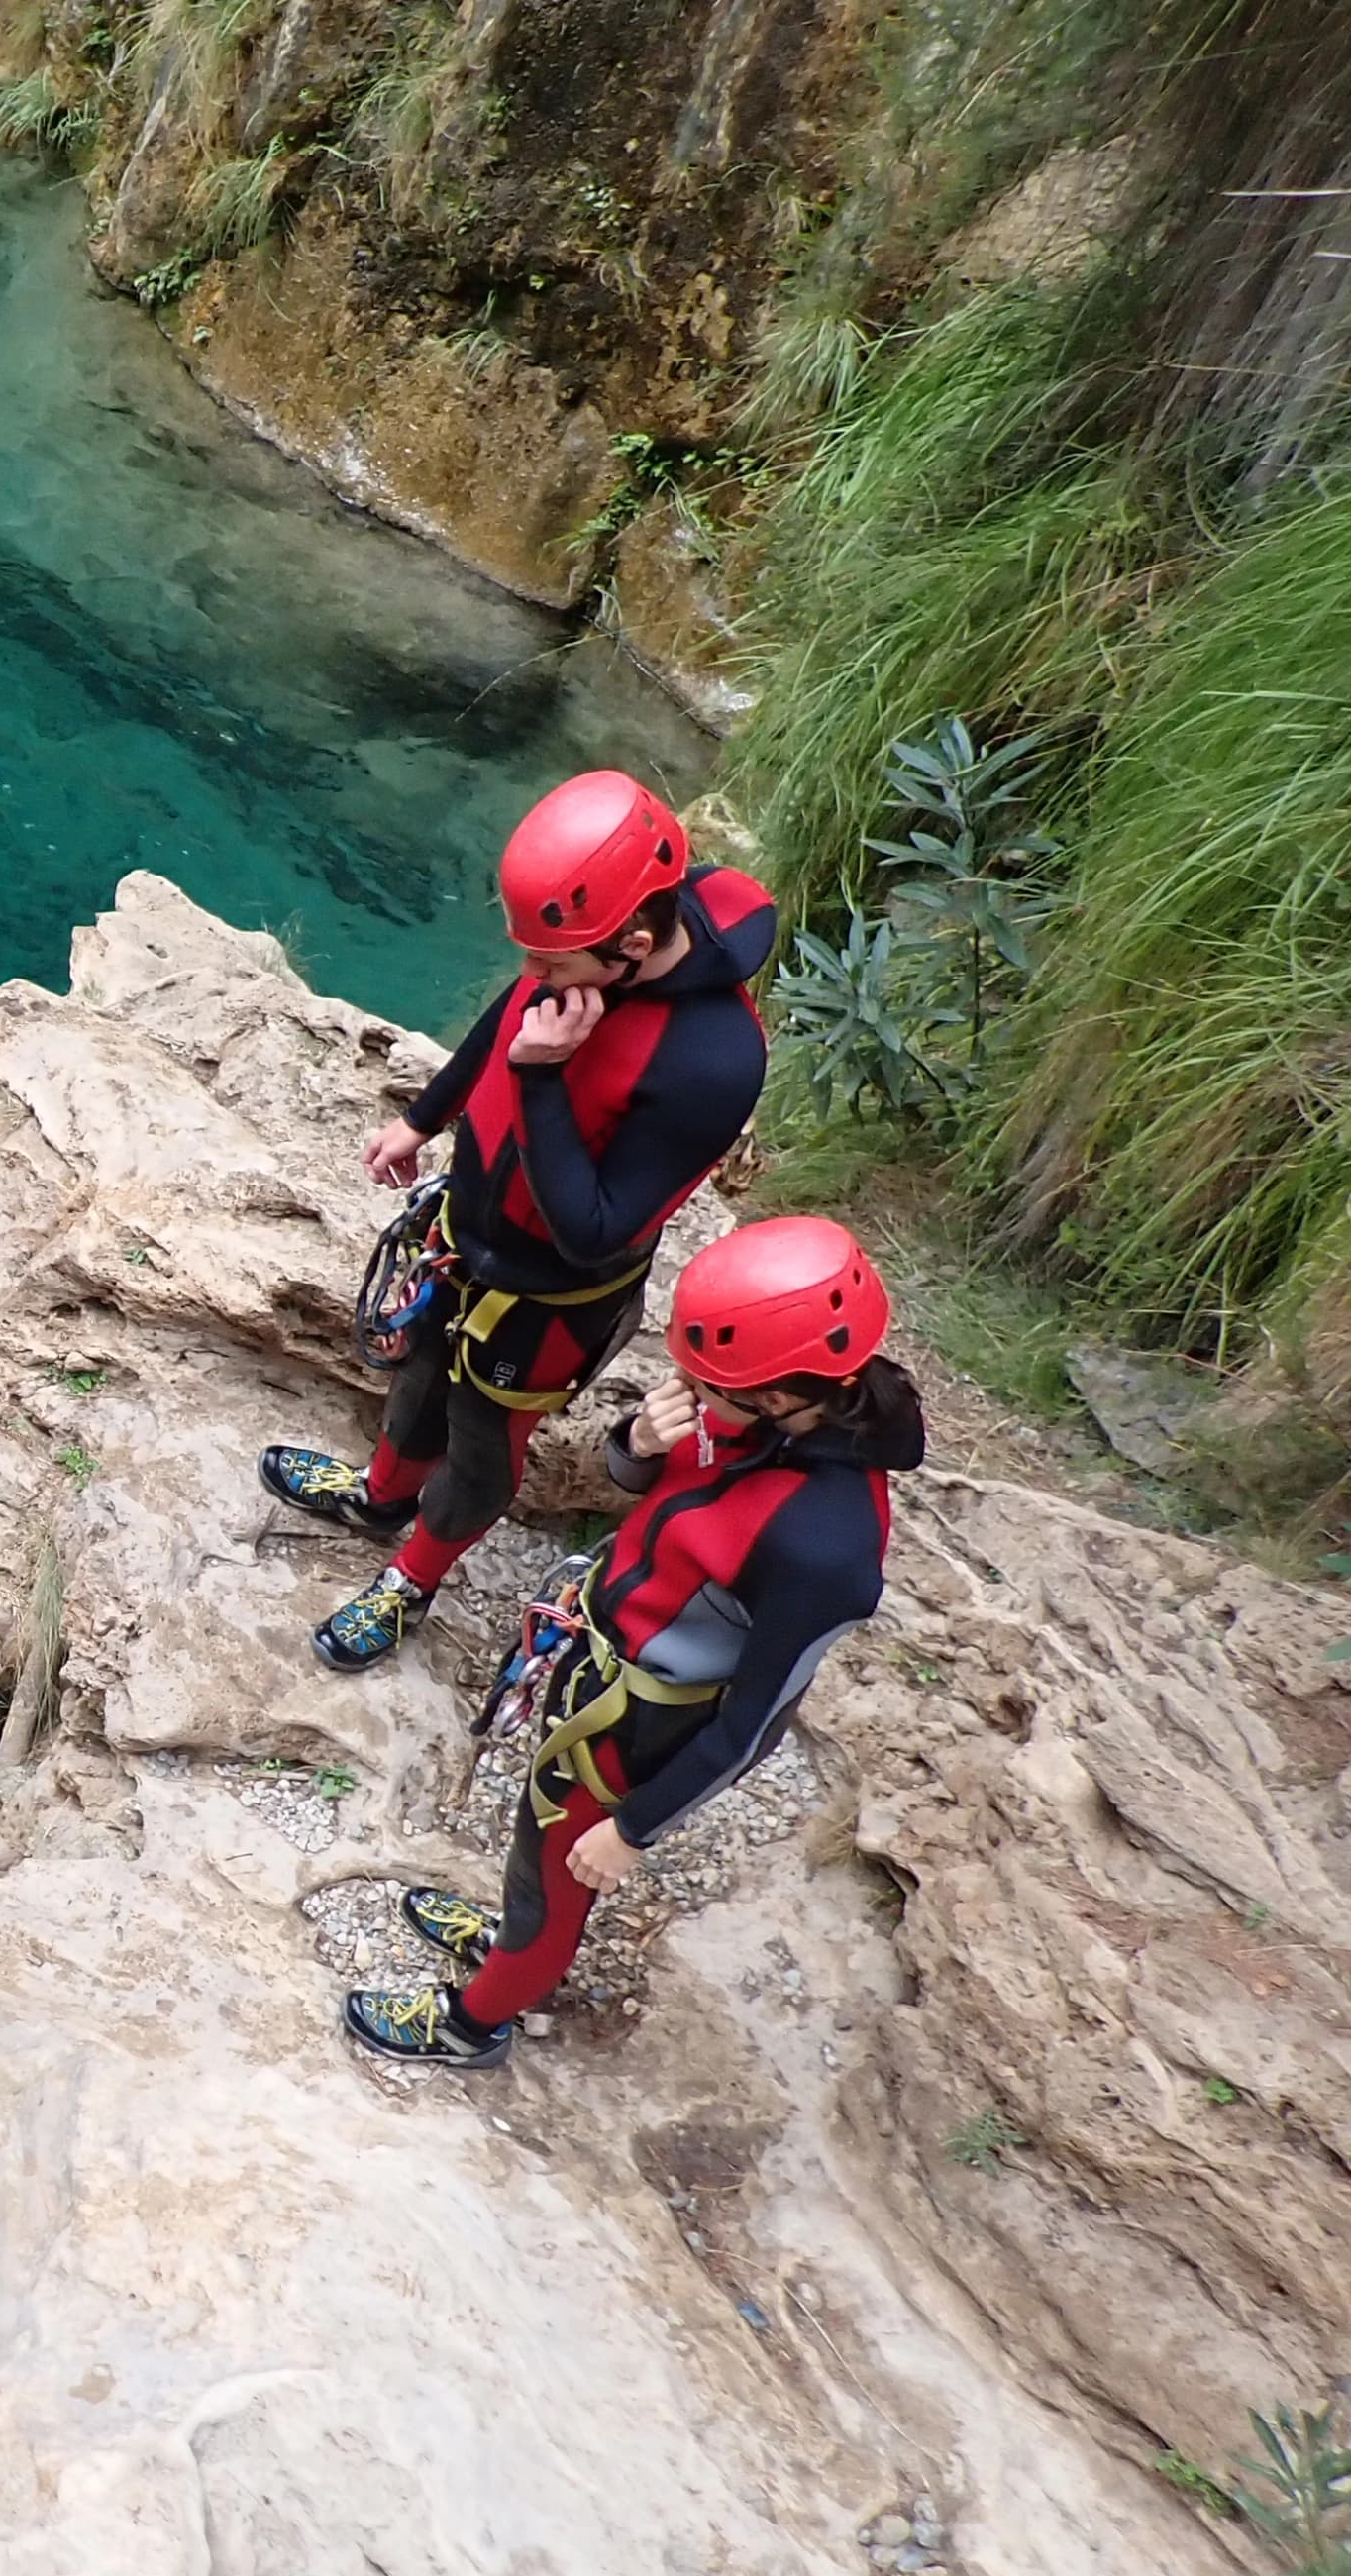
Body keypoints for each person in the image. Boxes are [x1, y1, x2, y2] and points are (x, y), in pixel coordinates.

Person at [343, 1216, 922, 2067]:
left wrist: (635, 1829)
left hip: (635, 1733)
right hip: (600, 1668)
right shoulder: (768, 1420)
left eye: (707, 1381)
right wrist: (638, 1445)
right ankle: (508, 1940)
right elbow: (651, 1498)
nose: (689, 1388)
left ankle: (473, 2025)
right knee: (535, 1853)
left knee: (559, 1885)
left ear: (775, 1392)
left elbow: (754, 1724)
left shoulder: (826, 1548)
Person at [258, 771, 774, 1670]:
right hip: (464, 1238)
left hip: (550, 1296)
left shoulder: (713, 1061)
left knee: (481, 1446)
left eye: (550, 963)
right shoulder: (589, 950)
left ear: (636, 945)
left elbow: (595, 1228)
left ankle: (411, 1578)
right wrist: (424, 1116)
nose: (532, 977)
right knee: (417, 1383)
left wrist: (540, 1078)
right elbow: (508, 1017)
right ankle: (379, 1497)